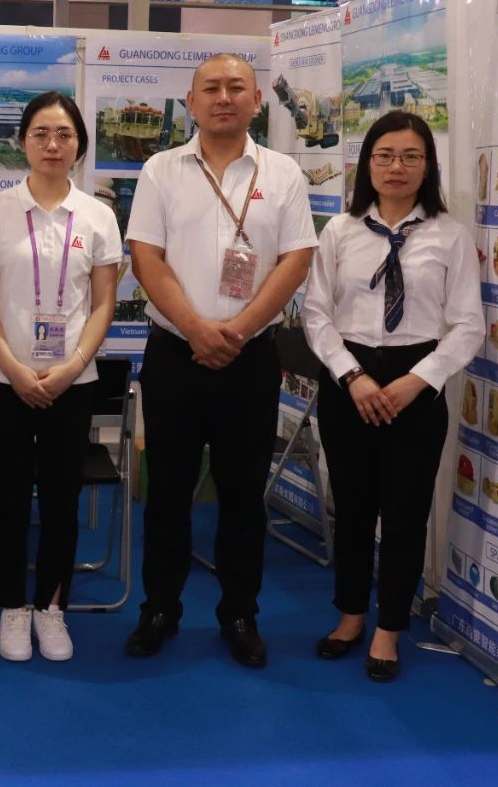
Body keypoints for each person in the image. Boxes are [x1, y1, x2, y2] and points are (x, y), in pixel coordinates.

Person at [123, 53, 316, 667]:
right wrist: (196, 329)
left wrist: (236, 330)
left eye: (237, 88)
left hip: (250, 357)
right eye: (211, 88)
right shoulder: (160, 170)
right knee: (168, 492)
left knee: (242, 495)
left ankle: (239, 613)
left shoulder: (284, 173)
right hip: (174, 356)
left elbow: (295, 260)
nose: (224, 97)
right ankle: (159, 609)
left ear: (257, 101)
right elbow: (146, 258)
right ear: (192, 100)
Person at [303, 111, 483, 681]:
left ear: (428, 166)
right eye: (384, 156)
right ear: (367, 165)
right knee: (353, 507)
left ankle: (390, 628)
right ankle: (351, 614)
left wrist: (418, 381)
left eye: (410, 156)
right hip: (349, 380)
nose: (396, 167)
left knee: (406, 512)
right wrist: (352, 376)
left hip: (416, 382)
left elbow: (468, 325)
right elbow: (316, 314)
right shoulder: (340, 230)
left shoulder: (451, 235)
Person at [0, 91, 121, 662]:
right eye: (41, 133)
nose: (53, 144)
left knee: (61, 497)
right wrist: (13, 368)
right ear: (22, 142)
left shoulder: (98, 216)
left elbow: (103, 303)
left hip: (71, 382)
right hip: (4, 379)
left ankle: (52, 607)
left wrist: (73, 366)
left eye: (64, 134)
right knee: (8, 496)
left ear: (79, 145)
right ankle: (13, 606)